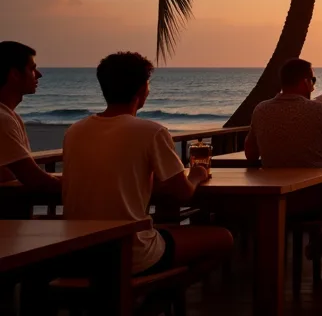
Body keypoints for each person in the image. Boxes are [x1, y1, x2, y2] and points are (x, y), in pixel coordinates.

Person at [62, 52, 232, 276]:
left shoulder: (75, 131)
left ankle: (140, 298)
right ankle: (151, 301)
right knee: (223, 238)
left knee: (162, 230)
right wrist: (197, 174)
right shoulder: (151, 132)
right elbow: (183, 192)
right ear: (142, 90)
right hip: (129, 251)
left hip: (78, 253)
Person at [245, 59, 322, 237]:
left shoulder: (261, 109)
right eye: (313, 81)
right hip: (315, 194)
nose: (313, 87)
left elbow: (250, 154)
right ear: (304, 82)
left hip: (273, 196)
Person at [0, 41, 59, 191]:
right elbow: (35, 179)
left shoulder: (9, 115)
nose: (39, 74)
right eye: (32, 69)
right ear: (14, 74)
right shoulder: (3, 120)